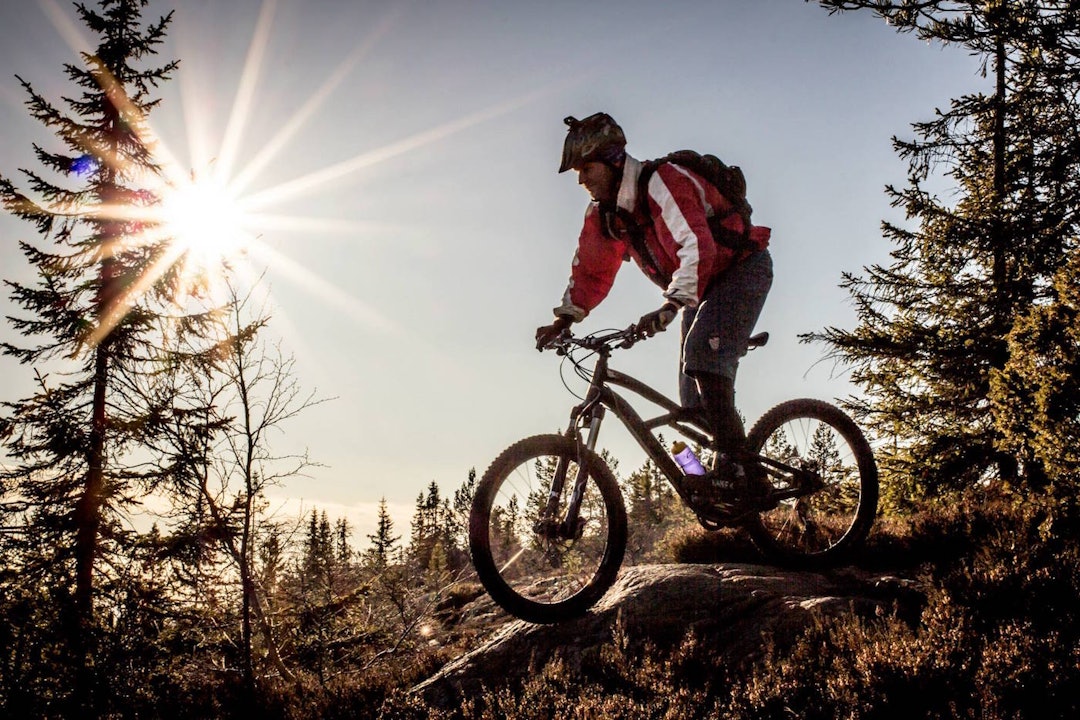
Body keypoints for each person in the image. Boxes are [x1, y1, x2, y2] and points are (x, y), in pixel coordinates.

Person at [535, 112, 773, 502]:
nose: (581, 180)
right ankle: (707, 488)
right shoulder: (606, 214)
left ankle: (745, 475)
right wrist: (564, 318)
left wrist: (669, 307)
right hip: (700, 288)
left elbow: (697, 245)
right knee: (691, 409)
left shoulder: (663, 182)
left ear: (613, 160)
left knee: (701, 357)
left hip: (740, 272)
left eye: (586, 168)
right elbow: (592, 271)